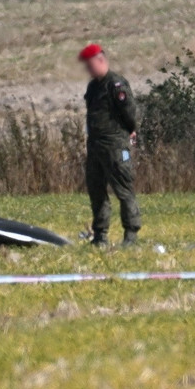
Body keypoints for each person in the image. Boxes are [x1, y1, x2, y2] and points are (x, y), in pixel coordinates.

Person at [79, 44, 142, 248]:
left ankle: (131, 234)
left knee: (123, 189)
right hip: (96, 146)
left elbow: (129, 112)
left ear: (100, 60)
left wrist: (131, 129)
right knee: (96, 191)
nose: (88, 70)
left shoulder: (116, 84)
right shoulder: (93, 87)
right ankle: (100, 236)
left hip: (116, 145)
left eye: (90, 65)